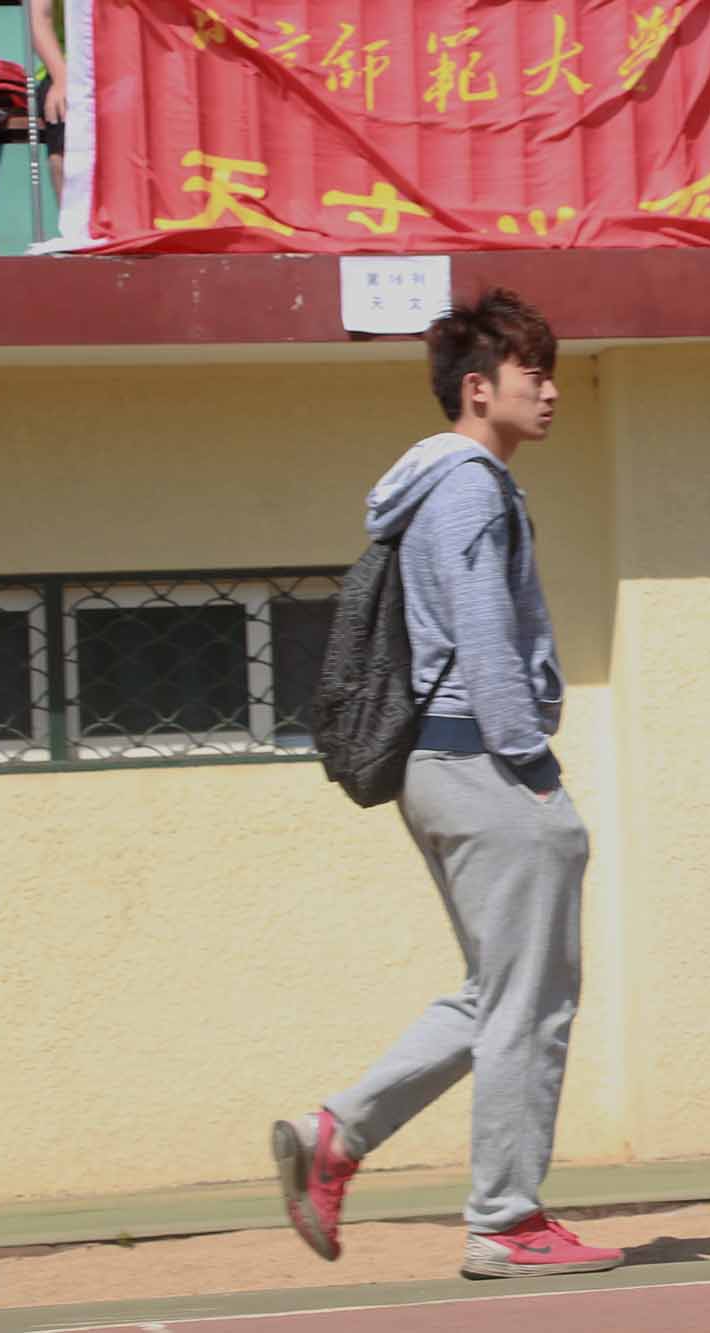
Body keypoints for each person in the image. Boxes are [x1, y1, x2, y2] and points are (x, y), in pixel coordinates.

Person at [271, 290, 621, 1281]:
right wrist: (532, 766)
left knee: (499, 992)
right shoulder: (469, 486)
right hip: (480, 759)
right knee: (532, 1004)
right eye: (532, 374)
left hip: (440, 764)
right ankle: (505, 1220)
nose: (550, 392)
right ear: (478, 389)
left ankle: (336, 1135)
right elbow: (483, 638)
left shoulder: (434, 486)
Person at [28, 0, 67, 205]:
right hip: (67, 69)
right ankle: (72, 219)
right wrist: (61, 79)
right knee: (63, 110)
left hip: (129, 68)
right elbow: (39, 18)